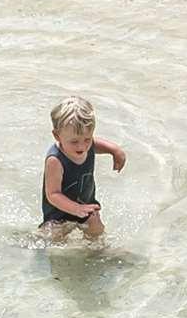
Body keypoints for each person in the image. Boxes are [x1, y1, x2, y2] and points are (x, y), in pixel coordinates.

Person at [39, 96, 126, 241]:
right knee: (53, 241)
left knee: (96, 230)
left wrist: (114, 150)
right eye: (74, 141)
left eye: (87, 139)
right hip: (58, 215)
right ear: (57, 136)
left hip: (86, 207)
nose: (82, 146)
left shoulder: (87, 144)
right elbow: (53, 194)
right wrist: (75, 208)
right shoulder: (55, 160)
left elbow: (95, 144)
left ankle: (98, 252)